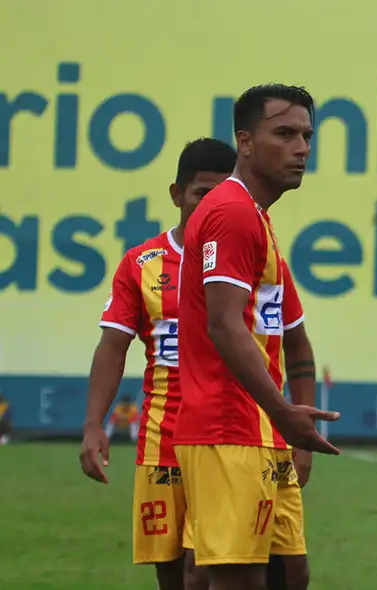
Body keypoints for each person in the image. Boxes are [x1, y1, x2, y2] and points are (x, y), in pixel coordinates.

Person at [79, 138, 317, 590]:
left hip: (252, 431)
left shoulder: (262, 254)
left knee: (288, 570)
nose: (212, 204)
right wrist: (95, 425)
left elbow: (297, 344)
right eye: (201, 193)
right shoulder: (142, 265)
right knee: (185, 572)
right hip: (166, 437)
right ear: (177, 194)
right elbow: (112, 347)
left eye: (222, 192)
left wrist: (300, 437)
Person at [173, 84, 340, 590]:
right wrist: (284, 410)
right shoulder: (231, 212)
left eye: (307, 136)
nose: (301, 148)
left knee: (289, 572)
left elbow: (287, 334)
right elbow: (223, 325)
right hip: (229, 427)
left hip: (258, 430)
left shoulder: (255, 216)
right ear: (244, 142)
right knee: (236, 576)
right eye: (285, 134)